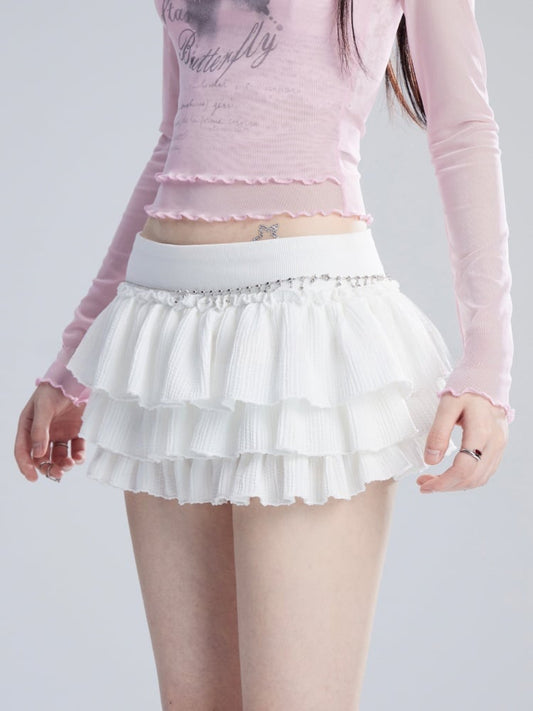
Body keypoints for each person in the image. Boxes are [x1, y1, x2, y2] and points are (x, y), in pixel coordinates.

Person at [14, 1, 514, 708]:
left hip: (303, 337)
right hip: (163, 338)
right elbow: (173, 141)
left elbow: (462, 131)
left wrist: (487, 364)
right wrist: (72, 367)